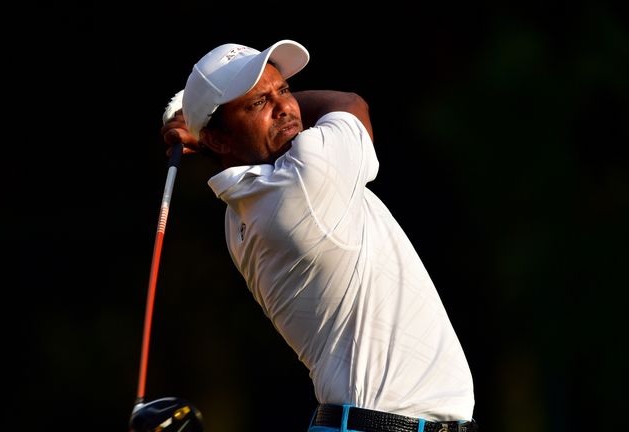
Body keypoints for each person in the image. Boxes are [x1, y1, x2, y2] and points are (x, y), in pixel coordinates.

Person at [160, 40, 477, 432]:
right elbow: (349, 104)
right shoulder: (304, 181)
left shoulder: (238, 211)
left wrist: (208, 127)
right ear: (218, 139)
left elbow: (258, 136)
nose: (285, 107)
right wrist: (199, 128)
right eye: (258, 103)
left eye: (284, 90)